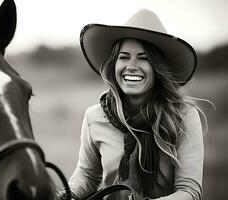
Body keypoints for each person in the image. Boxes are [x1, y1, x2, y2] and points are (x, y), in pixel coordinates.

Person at [59, 9, 206, 200]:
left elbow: (190, 190)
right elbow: (87, 175)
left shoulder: (183, 115)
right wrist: (65, 195)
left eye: (143, 58)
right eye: (124, 56)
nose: (132, 66)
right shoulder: (94, 117)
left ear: (157, 67)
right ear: (114, 63)